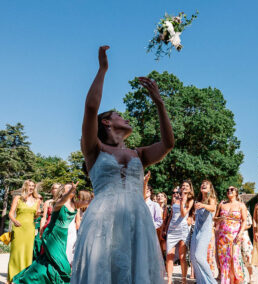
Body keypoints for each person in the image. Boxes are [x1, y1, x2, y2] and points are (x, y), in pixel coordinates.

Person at [71, 46, 174, 284]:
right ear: (106, 122)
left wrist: (159, 103)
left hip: (137, 220)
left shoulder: (139, 153)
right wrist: (103, 69)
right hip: (103, 221)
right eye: (119, 115)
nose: (125, 118)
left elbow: (168, 143)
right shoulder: (93, 149)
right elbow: (90, 108)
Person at [13, 182, 89, 283]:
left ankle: (30, 278)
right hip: (52, 235)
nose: (72, 188)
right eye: (69, 188)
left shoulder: (74, 204)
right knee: (60, 263)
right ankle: (31, 279)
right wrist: (71, 191)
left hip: (63, 236)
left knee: (49, 261)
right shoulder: (58, 203)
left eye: (73, 188)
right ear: (63, 191)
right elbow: (64, 198)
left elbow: (88, 202)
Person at [7, 180, 41, 283]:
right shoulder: (18, 198)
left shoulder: (37, 200)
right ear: (25, 186)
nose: (31, 187)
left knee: (27, 253)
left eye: (33, 186)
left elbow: (35, 216)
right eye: (29, 185)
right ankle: (11, 278)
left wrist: (38, 214)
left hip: (30, 229)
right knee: (16, 253)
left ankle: (23, 278)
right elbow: (11, 213)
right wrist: (14, 220)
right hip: (18, 229)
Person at [215, 186, 247, 284]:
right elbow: (215, 218)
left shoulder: (241, 205)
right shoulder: (222, 204)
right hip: (222, 236)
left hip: (235, 236)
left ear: (236, 192)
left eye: (232, 190)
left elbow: (244, 221)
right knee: (224, 261)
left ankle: (236, 281)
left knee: (234, 259)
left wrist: (240, 233)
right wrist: (220, 218)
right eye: (227, 190)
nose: (229, 191)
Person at [165, 180, 195, 284]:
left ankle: (183, 279)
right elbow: (172, 215)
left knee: (182, 257)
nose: (184, 187)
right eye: (183, 186)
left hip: (183, 229)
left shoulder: (190, 200)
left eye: (187, 186)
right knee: (169, 255)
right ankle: (169, 280)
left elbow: (183, 214)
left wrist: (183, 201)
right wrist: (166, 228)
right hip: (172, 229)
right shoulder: (175, 198)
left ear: (190, 189)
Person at [190, 180, 218, 284]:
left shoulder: (211, 199)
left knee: (199, 256)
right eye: (202, 184)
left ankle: (212, 281)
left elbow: (213, 208)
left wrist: (203, 205)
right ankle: (201, 282)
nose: (203, 185)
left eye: (206, 184)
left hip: (205, 232)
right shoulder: (197, 200)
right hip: (196, 231)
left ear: (210, 188)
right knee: (193, 257)